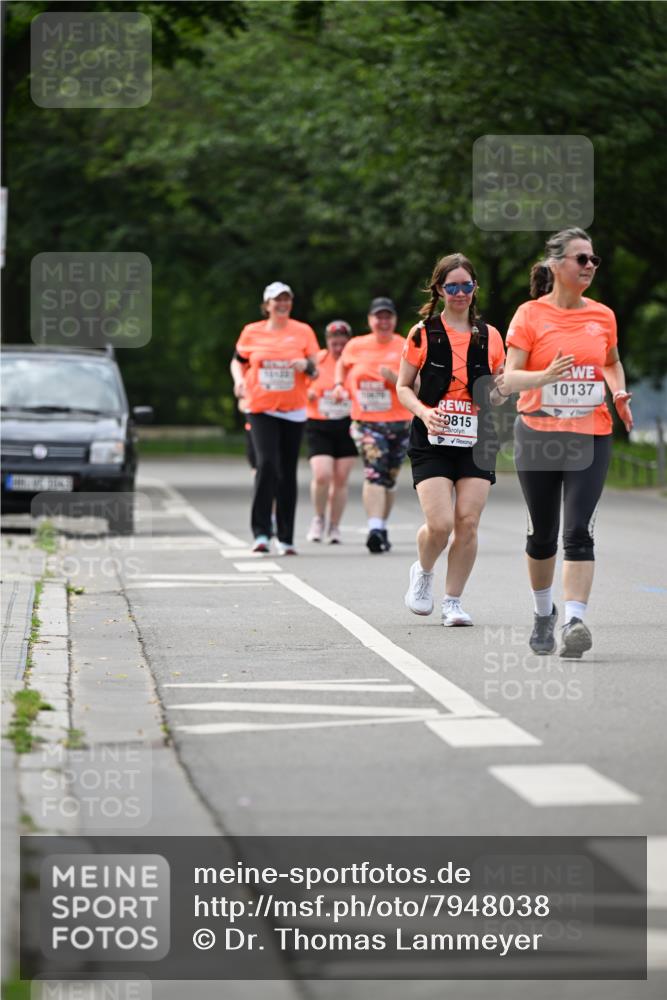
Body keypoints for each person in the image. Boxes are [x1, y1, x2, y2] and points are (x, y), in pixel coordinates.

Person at [503, 227, 633, 658]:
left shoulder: (603, 316)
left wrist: (617, 392)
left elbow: (612, 362)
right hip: (538, 434)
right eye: (582, 259)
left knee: (578, 532)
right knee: (543, 534)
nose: (591, 266)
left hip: (591, 435)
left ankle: (575, 621)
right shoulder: (529, 315)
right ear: (557, 265)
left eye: (594, 259)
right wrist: (543, 378)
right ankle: (545, 613)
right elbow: (509, 378)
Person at [396, 253, 507, 626]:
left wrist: (500, 394)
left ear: (476, 288)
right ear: (440, 289)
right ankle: (424, 572)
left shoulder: (491, 336)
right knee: (441, 524)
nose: (460, 293)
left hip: (477, 437)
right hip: (432, 436)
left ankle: (453, 602)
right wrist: (425, 413)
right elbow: (402, 388)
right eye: (452, 286)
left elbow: (496, 389)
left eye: (467, 285)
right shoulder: (422, 333)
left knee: (468, 521)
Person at [232, 282, 319, 555]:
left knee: (287, 473)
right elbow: (237, 360)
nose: (282, 304)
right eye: (277, 300)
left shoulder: (303, 331)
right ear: (266, 304)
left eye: (286, 300)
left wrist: (306, 365)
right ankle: (261, 532)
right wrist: (238, 381)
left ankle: (286, 537)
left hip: (293, 410)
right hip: (260, 407)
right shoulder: (252, 331)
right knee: (267, 463)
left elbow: (316, 370)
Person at [332, 298, 411, 553]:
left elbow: (417, 384)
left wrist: (395, 378)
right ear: (370, 320)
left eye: (388, 317)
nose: (383, 322)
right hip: (366, 423)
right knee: (375, 472)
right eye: (379, 317)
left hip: (400, 422)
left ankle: (382, 526)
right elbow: (341, 366)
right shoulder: (356, 346)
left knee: (389, 478)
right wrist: (338, 386)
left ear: (395, 320)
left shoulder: (405, 345)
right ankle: (374, 528)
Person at [304, 320, 358, 544]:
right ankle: (318, 518)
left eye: (342, 344)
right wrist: (308, 394)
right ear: (327, 342)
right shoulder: (317, 361)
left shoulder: (355, 362)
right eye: (334, 343)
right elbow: (299, 384)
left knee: (341, 478)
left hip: (348, 423)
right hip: (319, 423)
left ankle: (334, 525)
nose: (338, 349)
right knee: (322, 474)